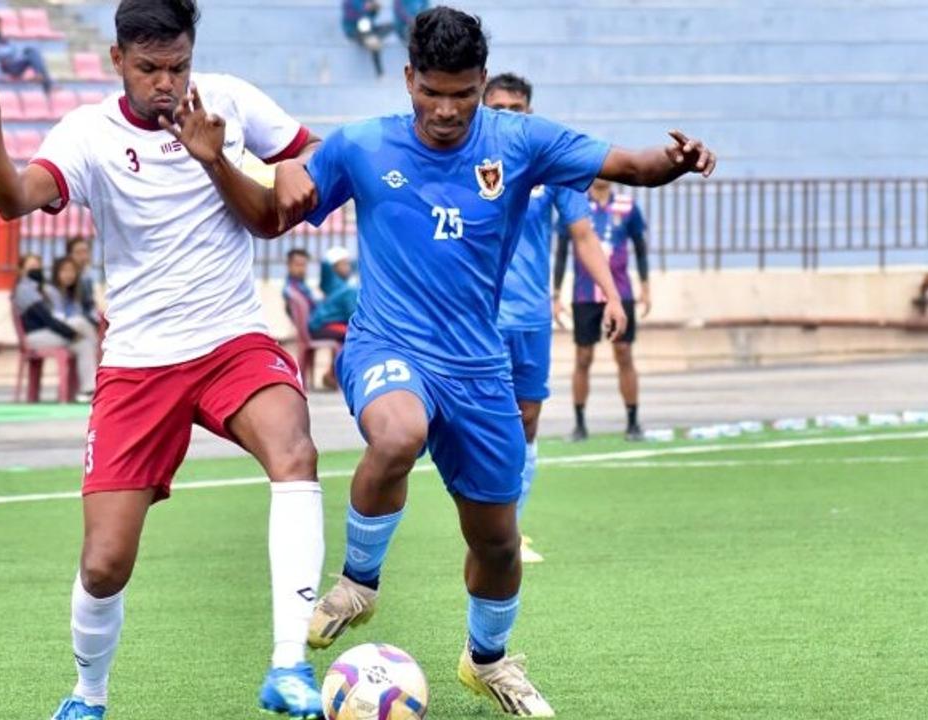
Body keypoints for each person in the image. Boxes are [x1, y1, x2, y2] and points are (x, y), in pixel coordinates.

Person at [163, 6, 714, 715]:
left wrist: (674, 163)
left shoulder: (519, 140)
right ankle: (360, 581)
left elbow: (627, 165)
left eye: (463, 93)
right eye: (432, 92)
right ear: (407, 79)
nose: (447, 110)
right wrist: (220, 163)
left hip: (479, 368)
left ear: (482, 82)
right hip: (387, 344)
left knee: (499, 543)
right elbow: (271, 216)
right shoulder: (362, 147)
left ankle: (487, 660)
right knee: (397, 433)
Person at [0, 1, 328, 718]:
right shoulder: (88, 134)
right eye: (150, 68)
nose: (165, 83)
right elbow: (13, 201)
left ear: (193, 55)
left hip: (231, 342)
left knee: (295, 452)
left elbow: (303, 163)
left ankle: (288, 668)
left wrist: (290, 170)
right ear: (117, 60)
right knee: (104, 563)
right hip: (139, 362)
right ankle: (88, 697)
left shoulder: (232, 106)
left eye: (177, 66)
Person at [482, 72, 627, 564]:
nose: (508, 114)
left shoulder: (550, 167)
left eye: (517, 108)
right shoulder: (467, 160)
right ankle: (487, 530)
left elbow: (583, 235)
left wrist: (611, 294)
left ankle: (510, 531)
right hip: (479, 317)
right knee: (482, 425)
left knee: (527, 421)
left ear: (530, 111)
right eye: (498, 105)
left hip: (532, 319)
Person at [554, 177, 651, 442]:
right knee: (583, 357)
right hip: (584, 294)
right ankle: (579, 423)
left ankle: (633, 422)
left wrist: (645, 286)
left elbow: (640, 249)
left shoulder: (627, 206)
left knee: (624, 353)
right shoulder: (575, 205)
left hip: (620, 293)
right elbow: (562, 251)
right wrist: (556, 293)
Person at [12, 254, 98, 402]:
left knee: (84, 345)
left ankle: (88, 390)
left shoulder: (43, 288)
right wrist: (71, 333)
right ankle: (102, 355)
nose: (36, 269)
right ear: (21, 270)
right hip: (36, 337)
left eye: (38, 266)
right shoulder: (24, 289)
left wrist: (71, 334)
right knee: (79, 323)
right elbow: (47, 319)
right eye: (32, 267)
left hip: (51, 334)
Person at [0, 14, 54, 94]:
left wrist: (8, 51)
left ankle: (40, 76)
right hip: (3, 68)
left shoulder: (3, 38)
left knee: (32, 52)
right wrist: (8, 51)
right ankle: (48, 85)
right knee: (32, 54)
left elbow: (14, 50)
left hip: (12, 64)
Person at [308, 246, 358, 342]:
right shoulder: (346, 290)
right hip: (324, 326)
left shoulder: (336, 286)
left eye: (348, 263)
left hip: (320, 325)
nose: (348, 267)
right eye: (344, 264)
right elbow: (352, 315)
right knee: (357, 335)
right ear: (333, 268)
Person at [341, 0, 391, 77]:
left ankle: (373, 38)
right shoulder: (349, 2)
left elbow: (371, 17)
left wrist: (375, 9)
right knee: (373, 42)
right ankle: (380, 74)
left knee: (390, 26)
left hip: (368, 30)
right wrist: (366, 8)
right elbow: (353, 15)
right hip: (354, 31)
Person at [52, 255, 101, 329]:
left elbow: (90, 311)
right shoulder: (50, 292)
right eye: (64, 270)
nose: (69, 274)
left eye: (72, 270)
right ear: (56, 272)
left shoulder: (76, 293)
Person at [64, 236, 99, 321]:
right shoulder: (66, 277)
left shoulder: (87, 276)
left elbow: (90, 305)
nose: (83, 256)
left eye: (85, 252)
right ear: (69, 255)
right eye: (78, 253)